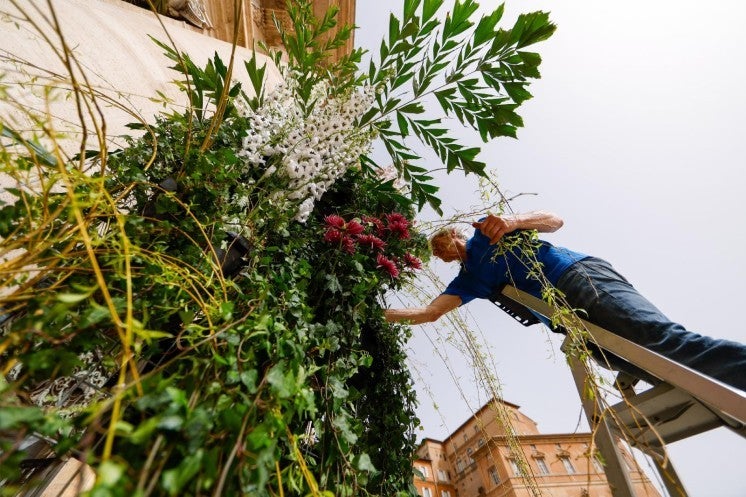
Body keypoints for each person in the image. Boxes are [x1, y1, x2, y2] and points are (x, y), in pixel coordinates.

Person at [384, 211, 746, 391]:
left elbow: (554, 221)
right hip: (565, 320)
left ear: (453, 233)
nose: (443, 250)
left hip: (578, 278)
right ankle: (634, 369)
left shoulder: (487, 229)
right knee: (659, 372)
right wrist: (380, 314)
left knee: (660, 341)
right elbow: (430, 313)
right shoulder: (469, 280)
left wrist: (512, 221)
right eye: (438, 251)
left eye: (442, 242)